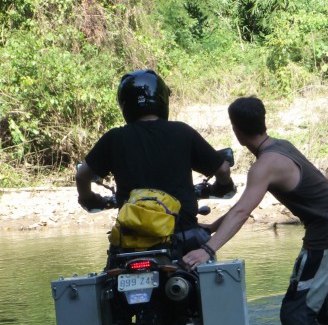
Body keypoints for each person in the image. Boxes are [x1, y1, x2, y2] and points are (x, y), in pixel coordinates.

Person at [182, 96, 328, 325]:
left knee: (295, 313)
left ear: (236, 129)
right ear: (263, 121)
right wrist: (212, 227)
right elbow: (242, 206)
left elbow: (242, 213)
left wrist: (207, 250)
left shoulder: (265, 165)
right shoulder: (280, 146)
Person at [76, 69, 234, 253]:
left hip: (132, 243)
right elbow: (223, 170)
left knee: (112, 273)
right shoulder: (182, 132)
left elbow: (82, 176)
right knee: (205, 267)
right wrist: (222, 186)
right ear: (162, 99)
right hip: (182, 235)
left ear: (124, 104)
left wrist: (88, 198)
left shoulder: (114, 138)